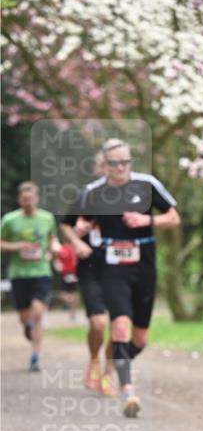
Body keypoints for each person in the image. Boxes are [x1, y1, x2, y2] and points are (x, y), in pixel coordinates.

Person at [71, 139, 180, 416]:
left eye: (125, 162)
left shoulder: (147, 184)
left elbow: (174, 218)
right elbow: (77, 223)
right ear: (104, 165)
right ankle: (128, 391)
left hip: (144, 266)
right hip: (111, 269)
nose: (120, 167)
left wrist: (148, 221)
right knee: (119, 325)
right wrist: (79, 232)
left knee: (139, 339)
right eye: (114, 163)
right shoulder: (94, 192)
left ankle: (111, 365)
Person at [60, 150, 115, 395]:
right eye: (104, 164)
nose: (109, 168)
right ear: (97, 168)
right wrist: (78, 241)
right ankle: (94, 360)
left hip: (120, 268)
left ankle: (108, 374)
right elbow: (66, 223)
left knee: (119, 325)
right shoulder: (87, 195)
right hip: (92, 266)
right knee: (98, 322)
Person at [0, 181, 60, 372]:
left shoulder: (47, 218)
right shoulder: (10, 220)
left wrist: (53, 251)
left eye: (31, 199)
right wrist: (18, 246)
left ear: (37, 198)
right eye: (25, 199)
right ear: (19, 200)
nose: (28, 203)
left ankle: (35, 356)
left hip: (41, 271)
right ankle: (29, 327)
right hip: (19, 274)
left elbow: (52, 239)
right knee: (25, 318)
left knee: (38, 312)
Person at [53, 241, 79, 320]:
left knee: (63, 293)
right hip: (72, 274)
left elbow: (56, 261)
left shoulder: (62, 249)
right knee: (73, 293)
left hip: (66, 273)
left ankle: (70, 302)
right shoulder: (74, 248)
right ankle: (72, 312)